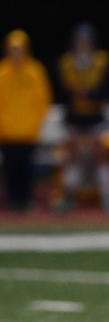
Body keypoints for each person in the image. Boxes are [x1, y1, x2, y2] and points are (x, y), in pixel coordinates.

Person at [53, 22, 109, 211]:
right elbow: (62, 91)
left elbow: (107, 88)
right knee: (72, 157)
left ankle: (108, 196)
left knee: (100, 156)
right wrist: (80, 96)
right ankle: (68, 196)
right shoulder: (66, 62)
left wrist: (86, 96)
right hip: (75, 117)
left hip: (95, 117)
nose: (83, 44)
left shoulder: (102, 61)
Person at [0, 29, 52, 212]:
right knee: (10, 168)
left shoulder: (35, 71)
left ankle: (26, 199)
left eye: (19, 49)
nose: (16, 53)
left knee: (26, 168)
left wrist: (35, 123)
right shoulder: (2, 72)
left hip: (28, 130)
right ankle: (12, 200)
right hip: (6, 131)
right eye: (12, 49)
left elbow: (43, 100)